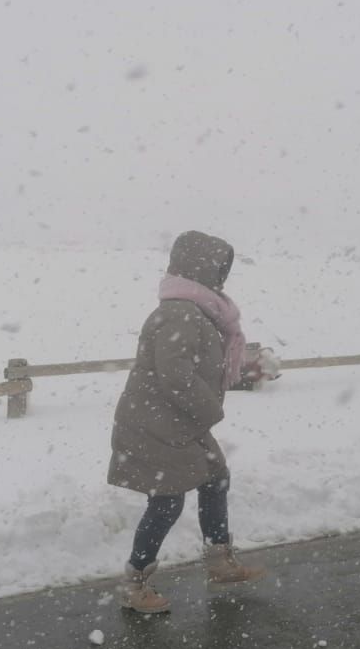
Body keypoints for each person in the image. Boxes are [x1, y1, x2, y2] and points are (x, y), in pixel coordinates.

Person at [109, 230, 267, 612]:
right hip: (156, 425)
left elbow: (198, 367)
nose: (222, 276)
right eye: (218, 267)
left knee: (216, 478)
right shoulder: (180, 312)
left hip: (177, 422)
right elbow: (175, 375)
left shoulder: (197, 311)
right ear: (201, 268)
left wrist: (243, 373)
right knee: (166, 502)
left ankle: (220, 562)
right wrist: (213, 409)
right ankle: (134, 584)